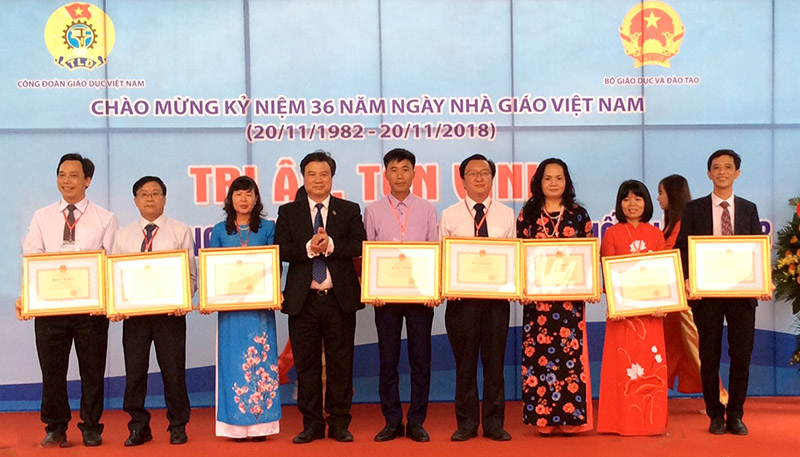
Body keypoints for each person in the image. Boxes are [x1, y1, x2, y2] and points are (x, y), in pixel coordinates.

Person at [17, 153, 118, 447]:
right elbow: (32, 258)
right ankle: (55, 427)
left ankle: (91, 426)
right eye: (62, 175)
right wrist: (27, 296)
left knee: (92, 371)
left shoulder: (105, 219)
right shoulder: (42, 217)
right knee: (52, 372)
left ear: (87, 180)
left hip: (91, 311)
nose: (67, 181)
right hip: (50, 310)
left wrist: (109, 302)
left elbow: (111, 262)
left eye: (74, 175)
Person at [674, 149, 772, 435]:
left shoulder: (749, 208)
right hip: (707, 296)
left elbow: (756, 249)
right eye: (716, 167)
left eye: (728, 167)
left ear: (737, 173)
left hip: (742, 295)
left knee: (741, 356)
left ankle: (736, 414)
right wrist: (688, 278)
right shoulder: (694, 209)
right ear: (709, 174)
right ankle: (715, 415)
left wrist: (763, 281)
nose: (722, 172)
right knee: (709, 356)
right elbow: (682, 249)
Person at [274, 150, 366, 444]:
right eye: (311, 174)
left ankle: (339, 423)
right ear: (303, 177)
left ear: (332, 177)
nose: (317, 180)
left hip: (339, 299)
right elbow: (280, 249)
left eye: (323, 174)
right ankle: (311, 424)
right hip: (304, 301)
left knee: (341, 364)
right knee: (307, 366)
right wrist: (308, 248)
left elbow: (360, 244)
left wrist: (330, 245)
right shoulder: (288, 212)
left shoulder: (348, 209)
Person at [110, 176, 195, 446]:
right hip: (134, 317)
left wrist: (184, 300)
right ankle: (138, 426)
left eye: (155, 193)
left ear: (164, 199)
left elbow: (190, 274)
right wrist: (115, 305)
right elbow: (114, 277)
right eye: (143, 194)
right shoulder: (122, 235)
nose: (149, 198)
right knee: (135, 373)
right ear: (135, 200)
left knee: (174, 372)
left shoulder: (180, 231)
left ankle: (178, 425)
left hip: (170, 315)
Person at [364, 148, 439, 443]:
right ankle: (392, 420)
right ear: (385, 175)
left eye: (405, 169)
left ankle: (417, 420)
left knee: (421, 360)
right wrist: (372, 289)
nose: (399, 175)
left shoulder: (428, 209)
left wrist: (434, 289)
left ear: (414, 174)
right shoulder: (373, 210)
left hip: (420, 297)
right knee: (388, 360)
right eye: (394, 170)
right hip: (386, 298)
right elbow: (368, 253)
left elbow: (434, 251)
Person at [439, 154, 515, 442]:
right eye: (472, 173)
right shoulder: (449, 215)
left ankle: (494, 423)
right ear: (463, 180)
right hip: (461, 303)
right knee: (465, 365)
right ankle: (467, 423)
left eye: (485, 173)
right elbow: (443, 259)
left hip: (497, 302)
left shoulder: (506, 215)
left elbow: (513, 260)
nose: (479, 178)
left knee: (495, 364)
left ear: (492, 178)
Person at [516, 158, 595, 435]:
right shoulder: (527, 214)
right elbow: (519, 255)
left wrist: (590, 286)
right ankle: (544, 419)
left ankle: (570, 417)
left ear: (566, 182)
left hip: (569, 303)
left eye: (559, 178)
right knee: (538, 358)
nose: (553, 183)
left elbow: (588, 256)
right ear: (539, 182)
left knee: (568, 358)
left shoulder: (579, 214)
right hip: (537, 304)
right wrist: (522, 288)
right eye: (547, 178)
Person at [206, 176, 282, 441]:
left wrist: (275, 291)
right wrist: (209, 298)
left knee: (262, 362)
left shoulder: (268, 228)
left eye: (249, 194)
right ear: (231, 199)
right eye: (238, 194)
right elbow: (212, 269)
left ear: (256, 198)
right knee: (233, 364)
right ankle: (235, 427)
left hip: (259, 309)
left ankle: (261, 426)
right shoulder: (219, 231)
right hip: (230, 312)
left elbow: (274, 264)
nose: (244, 199)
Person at [597, 179, 668, 436]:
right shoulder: (612, 234)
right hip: (623, 315)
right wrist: (615, 302)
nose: (632, 204)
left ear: (646, 202)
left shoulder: (656, 234)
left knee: (650, 365)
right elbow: (609, 272)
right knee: (622, 366)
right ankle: (620, 422)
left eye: (638, 198)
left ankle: (651, 421)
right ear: (619, 204)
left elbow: (663, 274)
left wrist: (663, 303)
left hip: (651, 315)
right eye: (626, 199)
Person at [657, 175, 728, 404]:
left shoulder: (682, 225)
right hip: (669, 298)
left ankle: (720, 397)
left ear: (672, 195)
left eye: (661, 193)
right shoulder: (669, 225)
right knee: (674, 348)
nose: (658, 198)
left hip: (685, 299)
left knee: (695, 347)